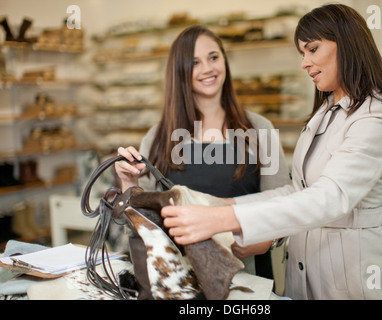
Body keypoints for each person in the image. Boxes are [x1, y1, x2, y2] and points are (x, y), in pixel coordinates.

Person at [160, 4, 382, 300]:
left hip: (351, 277)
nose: (305, 63)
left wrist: (223, 220)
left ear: (347, 43)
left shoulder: (377, 116)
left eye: (313, 49)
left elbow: (329, 198)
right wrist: (221, 205)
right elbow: (296, 191)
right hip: (305, 271)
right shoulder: (326, 113)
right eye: (302, 53)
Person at [115, 25, 290, 281]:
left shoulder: (259, 130)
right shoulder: (157, 138)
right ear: (180, 72)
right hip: (179, 281)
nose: (208, 69)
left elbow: (285, 207)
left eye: (214, 57)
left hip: (248, 279)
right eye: (195, 62)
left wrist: (268, 240)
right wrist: (129, 182)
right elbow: (142, 226)